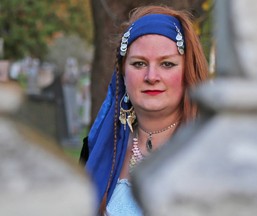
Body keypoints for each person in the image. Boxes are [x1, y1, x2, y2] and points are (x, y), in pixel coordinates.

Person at [80, 5, 208, 215]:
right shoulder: (97, 150)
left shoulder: (212, 151)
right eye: (139, 64)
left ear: (187, 71)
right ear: (122, 72)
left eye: (167, 64)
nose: (151, 76)